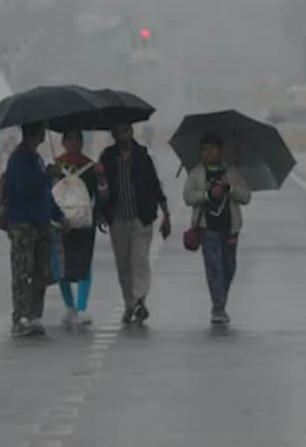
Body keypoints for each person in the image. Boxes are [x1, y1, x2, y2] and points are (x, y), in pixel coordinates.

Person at [100, 122, 170, 325]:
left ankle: (139, 300)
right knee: (123, 264)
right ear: (113, 134)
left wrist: (166, 214)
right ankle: (129, 304)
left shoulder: (142, 156)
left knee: (139, 259)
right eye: (117, 132)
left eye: (125, 130)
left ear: (131, 132)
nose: (121, 135)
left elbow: (155, 185)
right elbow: (101, 190)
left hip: (141, 217)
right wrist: (101, 212)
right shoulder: (107, 157)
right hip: (118, 219)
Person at [4, 121, 66, 338]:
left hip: (41, 223)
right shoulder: (19, 158)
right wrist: (47, 175)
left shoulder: (37, 158)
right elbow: (26, 187)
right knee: (22, 272)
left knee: (41, 272)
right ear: (35, 133)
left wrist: (59, 215)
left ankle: (34, 316)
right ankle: (19, 317)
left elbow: (46, 195)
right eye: (41, 130)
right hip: (23, 224)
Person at [182, 132, 251, 325]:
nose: (208, 153)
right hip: (207, 227)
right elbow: (188, 197)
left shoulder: (232, 171)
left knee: (229, 266)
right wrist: (207, 194)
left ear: (220, 151)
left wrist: (230, 189)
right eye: (204, 149)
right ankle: (218, 307)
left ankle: (220, 300)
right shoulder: (196, 172)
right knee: (214, 267)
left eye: (212, 148)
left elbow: (246, 197)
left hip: (230, 227)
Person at [51, 130, 108, 328]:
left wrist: (100, 214)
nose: (74, 142)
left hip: (82, 222)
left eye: (77, 139)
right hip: (63, 222)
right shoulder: (56, 166)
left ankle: (81, 307)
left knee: (84, 264)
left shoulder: (91, 167)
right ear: (63, 142)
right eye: (71, 139)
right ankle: (70, 306)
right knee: (62, 265)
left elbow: (100, 194)